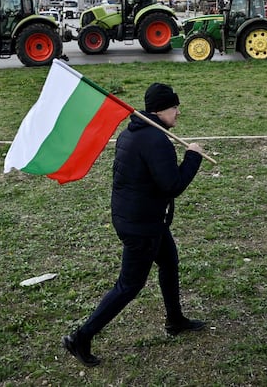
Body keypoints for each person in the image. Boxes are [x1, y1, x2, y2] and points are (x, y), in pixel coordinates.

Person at [63, 83, 207, 367]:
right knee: (129, 285)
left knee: (169, 262)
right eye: (175, 107)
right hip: (141, 226)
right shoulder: (155, 140)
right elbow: (172, 185)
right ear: (161, 109)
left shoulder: (133, 133)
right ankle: (81, 336)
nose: (178, 112)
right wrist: (193, 157)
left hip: (140, 218)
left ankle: (174, 319)